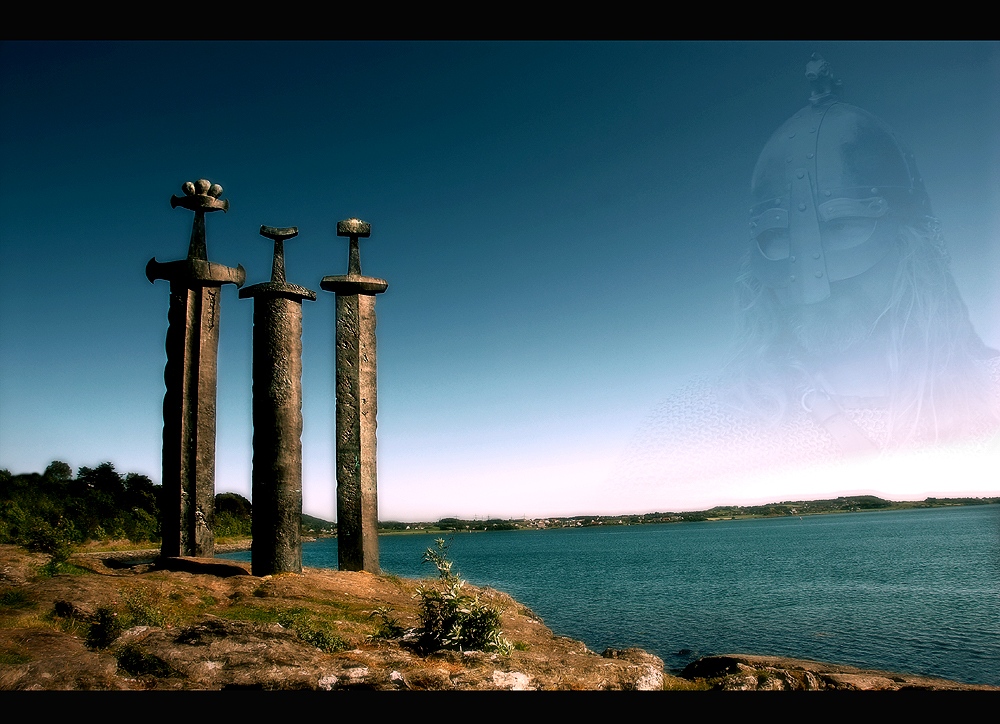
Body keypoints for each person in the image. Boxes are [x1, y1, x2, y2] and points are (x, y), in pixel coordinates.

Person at [618, 56, 999, 505]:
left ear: (914, 246)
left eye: (843, 227)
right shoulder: (690, 425)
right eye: (778, 236)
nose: (814, 284)